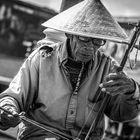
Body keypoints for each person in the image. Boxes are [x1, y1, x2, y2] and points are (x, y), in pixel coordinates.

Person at [0, 0, 140, 140]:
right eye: (84, 38)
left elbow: (121, 114)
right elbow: (14, 97)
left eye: (98, 41)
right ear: (69, 34)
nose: (90, 47)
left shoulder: (109, 68)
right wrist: (8, 109)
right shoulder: (42, 58)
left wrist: (131, 90)